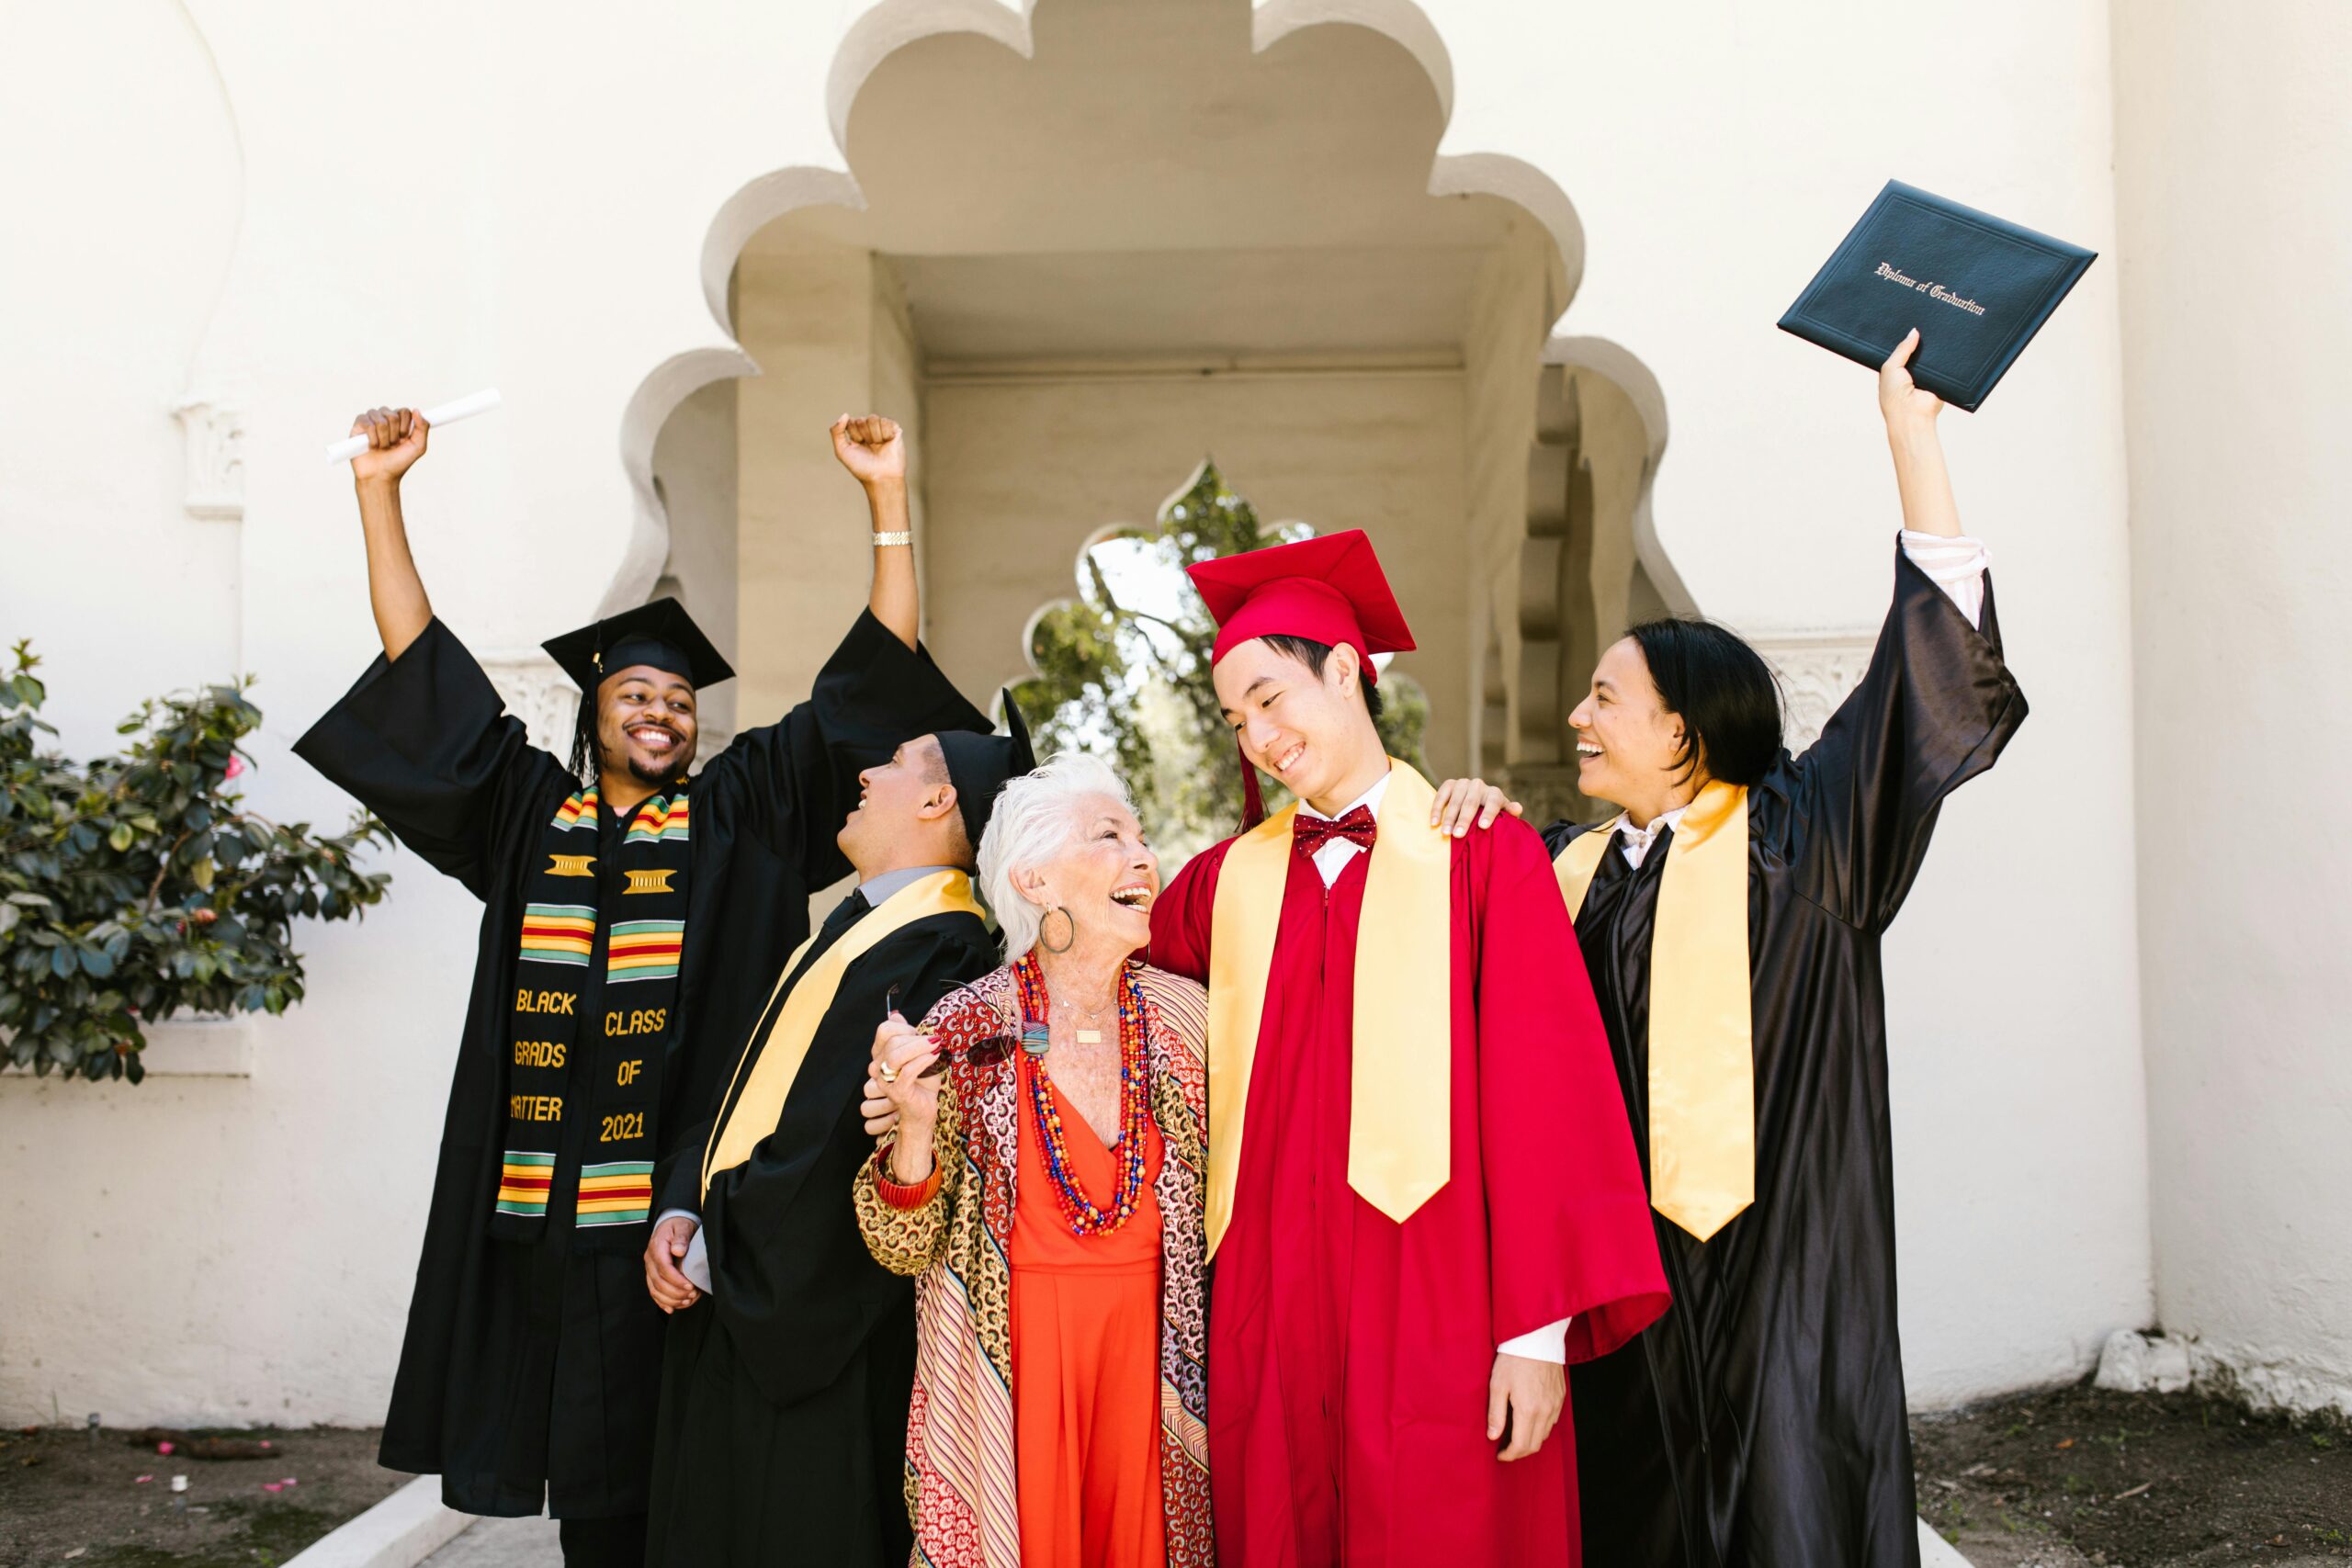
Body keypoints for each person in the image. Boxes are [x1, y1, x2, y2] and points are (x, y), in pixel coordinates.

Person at [295, 407, 986, 1566]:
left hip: (685, 1206)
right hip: (543, 1214)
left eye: (680, 701)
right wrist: (380, 492)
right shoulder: (525, 814)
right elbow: (424, 674)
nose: (663, 712)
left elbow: (868, 684)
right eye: (638, 695)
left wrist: (885, 502)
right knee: (593, 1500)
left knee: (689, 1485)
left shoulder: (744, 808)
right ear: (594, 706)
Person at [1544, 330, 2029, 1567]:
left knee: (1793, 1515)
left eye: (1605, 696)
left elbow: (1933, 687)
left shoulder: (1810, 842)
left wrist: (1911, 439)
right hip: (1626, 1292)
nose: (1576, 718)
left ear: (1689, 727)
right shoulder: (1569, 876)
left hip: (1792, 1274)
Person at [1145, 531, 1670, 1568]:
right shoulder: (1219, 886)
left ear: (1343, 670)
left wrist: (1534, 1336)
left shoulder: (1479, 853)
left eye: (1269, 697)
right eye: (1234, 718)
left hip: (1441, 1302)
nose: (1256, 734)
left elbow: (1546, 1097)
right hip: (1271, 1312)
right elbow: (1119, 1028)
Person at [639, 697, 1037, 1566]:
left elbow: (831, 1145)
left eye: (893, 760)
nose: (865, 773)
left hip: (810, 1332)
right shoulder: (854, 932)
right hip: (736, 1285)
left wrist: (719, 1243)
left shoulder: (945, 954)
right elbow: (749, 1093)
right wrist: (681, 1205)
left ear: (939, 803)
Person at [854, 753, 1216, 1568]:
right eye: (1108, 836)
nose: (1143, 855)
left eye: (1141, 836)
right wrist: (912, 1129)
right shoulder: (964, 1026)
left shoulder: (1189, 1019)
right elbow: (898, 1245)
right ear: (1036, 880)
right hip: (1011, 1378)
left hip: (1156, 1374)